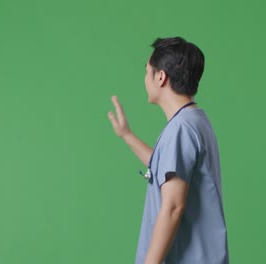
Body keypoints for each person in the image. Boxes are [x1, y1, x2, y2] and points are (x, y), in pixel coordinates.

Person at [108, 37, 229, 264]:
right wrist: (127, 135)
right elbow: (166, 167)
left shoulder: (180, 129)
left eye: (147, 71)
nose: (145, 79)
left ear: (161, 77)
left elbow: (173, 206)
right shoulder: (195, 120)